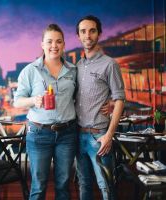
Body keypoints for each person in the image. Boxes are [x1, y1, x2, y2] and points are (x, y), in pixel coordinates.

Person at [14, 24, 77, 200]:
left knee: (63, 184)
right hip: (39, 133)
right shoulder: (30, 70)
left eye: (58, 41)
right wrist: (33, 100)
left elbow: (80, 98)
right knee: (39, 185)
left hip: (67, 133)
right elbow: (17, 101)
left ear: (64, 44)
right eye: (49, 41)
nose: (54, 46)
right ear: (42, 44)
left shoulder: (73, 70)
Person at [75, 15, 125, 200]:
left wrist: (109, 136)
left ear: (99, 34)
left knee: (106, 187)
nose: (87, 35)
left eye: (92, 30)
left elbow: (120, 99)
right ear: (79, 36)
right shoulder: (77, 66)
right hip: (78, 135)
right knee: (84, 185)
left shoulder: (110, 64)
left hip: (99, 136)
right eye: (83, 31)